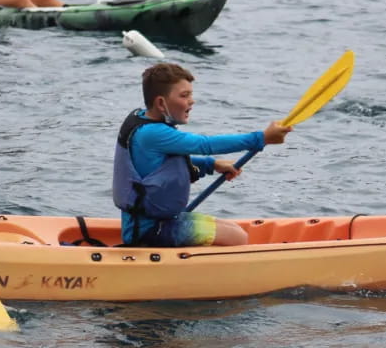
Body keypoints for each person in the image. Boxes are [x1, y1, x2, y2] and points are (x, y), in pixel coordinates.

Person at [113, 63, 291, 247]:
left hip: (162, 222)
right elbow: (205, 144)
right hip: (150, 232)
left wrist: (211, 165)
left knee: (236, 230)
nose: (192, 101)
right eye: (184, 95)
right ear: (160, 103)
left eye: (191, 94)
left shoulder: (144, 120)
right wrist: (261, 138)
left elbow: (163, 165)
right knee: (238, 238)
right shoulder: (152, 133)